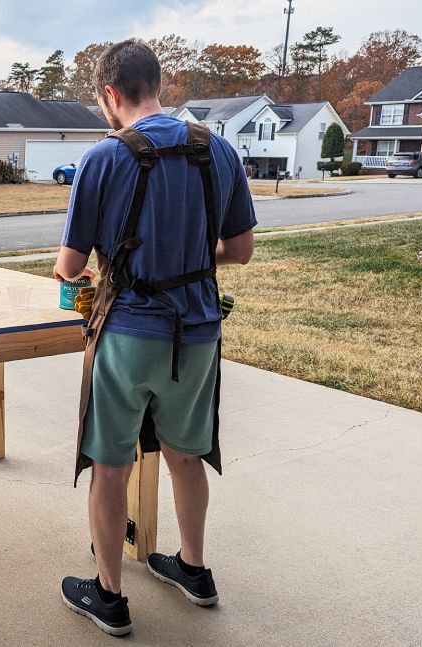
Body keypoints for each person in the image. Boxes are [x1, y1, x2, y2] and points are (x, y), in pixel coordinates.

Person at [52, 39, 256, 637]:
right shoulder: (216, 150)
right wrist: (193, 254)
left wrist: (78, 270)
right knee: (186, 456)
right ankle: (193, 569)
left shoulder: (102, 158)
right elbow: (239, 250)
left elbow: (69, 264)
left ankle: (110, 597)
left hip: (128, 335)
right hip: (197, 332)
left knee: (110, 468)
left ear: (111, 94)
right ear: (159, 85)